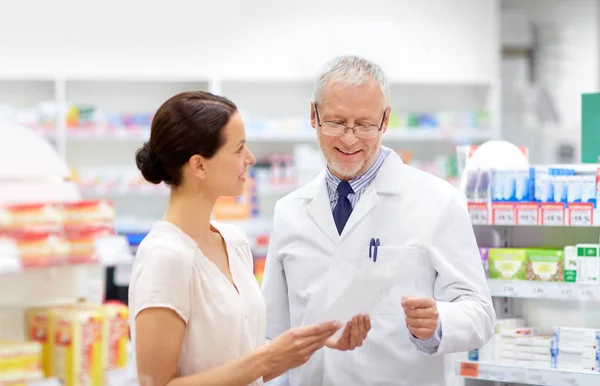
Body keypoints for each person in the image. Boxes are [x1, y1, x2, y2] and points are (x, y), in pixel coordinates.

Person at [261, 56, 496, 386]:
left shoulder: (437, 201)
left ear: (385, 120)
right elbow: (273, 332)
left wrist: (438, 322)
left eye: (364, 125)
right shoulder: (289, 211)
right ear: (313, 116)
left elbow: (481, 314)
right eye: (336, 122)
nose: (349, 139)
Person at [128, 91, 370, 386]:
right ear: (199, 165)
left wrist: (309, 345)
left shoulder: (233, 242)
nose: (251, 158)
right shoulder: (165, 257)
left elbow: (242, 367)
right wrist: (267, 357)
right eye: (239, 148)